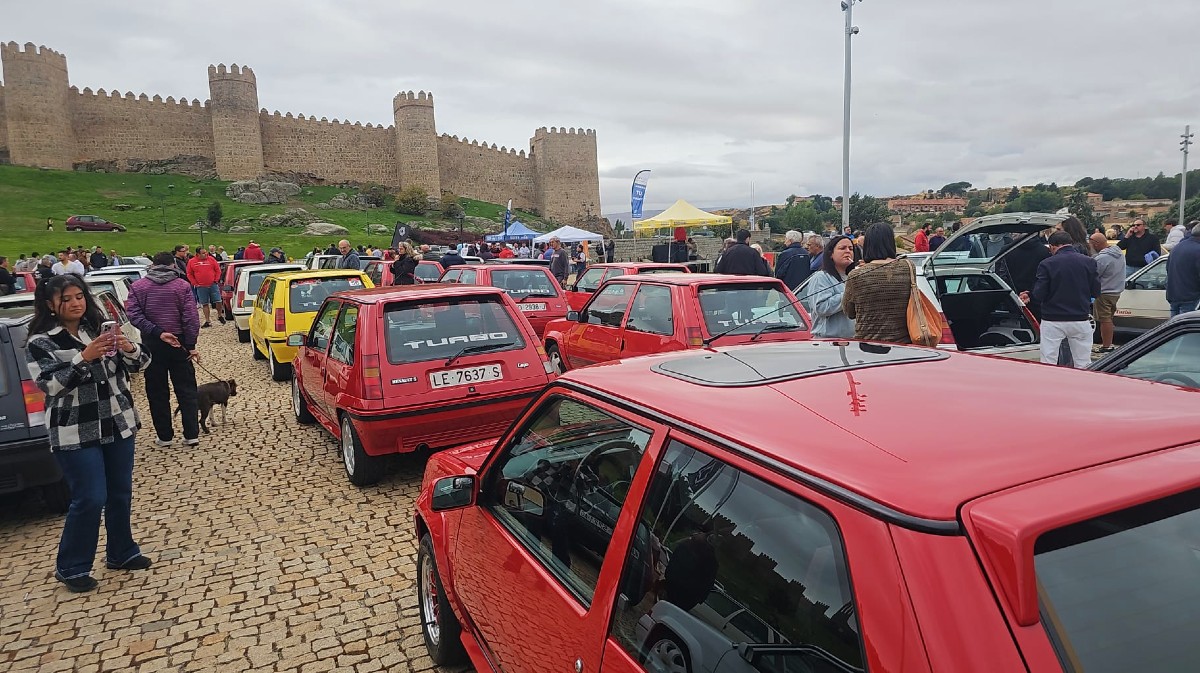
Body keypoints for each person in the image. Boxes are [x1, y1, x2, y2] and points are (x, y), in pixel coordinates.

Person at [24, 274, 152, 592]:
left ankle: (122, 552)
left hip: (118, 421)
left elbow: (141, 365)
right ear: (50, 304)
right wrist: (84, 357)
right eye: (65, 298)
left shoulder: (98, 328)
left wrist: (129, 348)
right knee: (91, 497)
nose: (74, 303)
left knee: (120, 493)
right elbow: (51, 385)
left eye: (79, 296)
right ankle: (72, 566)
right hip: (74, 431)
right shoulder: (41, 341)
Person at [125, 252, 202, 447]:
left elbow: (133, 315)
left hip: (152, 343)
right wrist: (191, 345)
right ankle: (191, 433)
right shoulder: (182, 286)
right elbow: (191, 318)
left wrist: (156, 331)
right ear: (172, 265)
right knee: (186, 389)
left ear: (153, 265)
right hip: (180, 342)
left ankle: (165, 436)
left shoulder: (138, 287)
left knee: (157, 391)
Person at [1019, 231, 1099, 368]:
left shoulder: (1046, 264)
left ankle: (1050, 387)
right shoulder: (1089, 262)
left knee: (1048, 360)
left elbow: (1039, 294)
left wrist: (1030, 295)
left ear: (1052, 246)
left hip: (1053, 320)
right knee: (1083, 362)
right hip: (1080, 318)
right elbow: (1096, 291)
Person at [841, 222, 912, 344]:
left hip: (866, 344)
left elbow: (849, 312)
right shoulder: (908, 267)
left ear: (868, 244)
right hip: (903, 344)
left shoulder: (856, 275)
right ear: (891, 242)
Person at [805, 236, 857, 339]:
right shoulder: (821, 277)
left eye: (850, 249)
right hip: (828, 342)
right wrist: (851, 293)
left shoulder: (853, 277)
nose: (848, 251)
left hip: (852, 342)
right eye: (842, 248)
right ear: (830, 254)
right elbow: (822, 307)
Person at [1091, 233, 1125, 353]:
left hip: (1104, 292)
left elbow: (1094, 275)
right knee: (1109, 318)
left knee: (1104, 319)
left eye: (1091, 244)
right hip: (1116, 291)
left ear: (1096, 243)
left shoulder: (1102, 258)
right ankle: (1108, 343)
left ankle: (1106, 345)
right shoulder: (1119, 253)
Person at [1165, 223, 1200, 316]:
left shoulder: (1178, 247)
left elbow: (1168, 269)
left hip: (1174, 296)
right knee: (1189, 329)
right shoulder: (1197, 250)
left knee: (1175, 328)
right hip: (1191, 298)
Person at [186, 248, 224, 327]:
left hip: (213, 285)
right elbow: (189, 274)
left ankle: (220, 315)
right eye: (203, 253)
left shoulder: (211, 259)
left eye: (206, 252)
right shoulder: (192, 261)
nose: (205, 254)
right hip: (201, 286)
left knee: (218, 301)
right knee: (205, 303)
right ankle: (207, 320)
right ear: (197, 254)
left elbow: (218, 270)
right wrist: (195, 283)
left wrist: (216, 280)